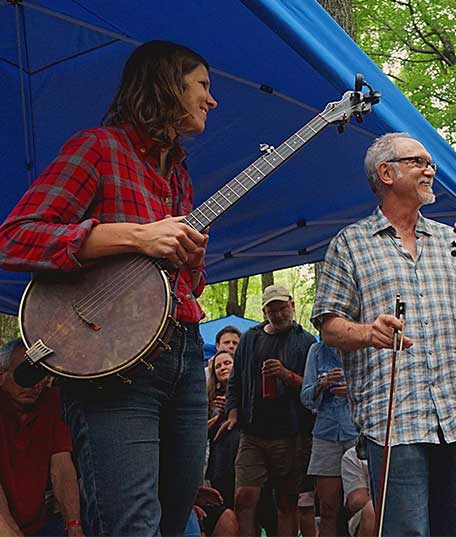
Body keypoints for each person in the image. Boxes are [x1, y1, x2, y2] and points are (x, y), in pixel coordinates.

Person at [0, 40, 215, 535]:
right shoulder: (97, 147)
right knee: (130, 525)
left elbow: (179, 284)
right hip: (109, 364)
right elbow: (15, 238)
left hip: (182, 354)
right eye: (202, 85)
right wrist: (136, 235)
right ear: (166, 84)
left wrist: (191, 261)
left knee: (175, 516)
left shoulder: (179, 175)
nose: (211, 100)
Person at [312, 132, 456, 536]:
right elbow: (329, 326)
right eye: (419, 162)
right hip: (394, 422)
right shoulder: (350, 244)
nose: (431, 170)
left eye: (431, 163)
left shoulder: (451, 241)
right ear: (386, 173)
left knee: (455, 530)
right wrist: (368, 332)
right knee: (405, 531)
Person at [220, 284, 316, 537]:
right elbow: (235, 379)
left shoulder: (306, 341)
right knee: (244, 496)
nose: (279, 314)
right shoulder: (250, 338)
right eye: (272, 310)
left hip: (290, 433)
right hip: (252, 432)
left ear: (292, 305)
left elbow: (314, 386)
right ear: (264, 312)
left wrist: (287, 376)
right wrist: (232, 412)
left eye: (282, 308)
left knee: (287, 501)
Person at [0, 339, 84, 537]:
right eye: (24, 374)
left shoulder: (51, 401)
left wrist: (74, 525)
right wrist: (8, 530)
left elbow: (62, 467)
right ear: (1, 375)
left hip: (38, 526)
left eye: (39, 375)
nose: (34, 384)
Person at [300, 340, 358, 537]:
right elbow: (306, 397)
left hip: (358, 432)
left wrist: (351, 391)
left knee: (360, 503)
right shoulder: (316, 350)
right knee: (327, 507)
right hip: (325, 434)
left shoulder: (362, 344)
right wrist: (321, 384)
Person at [206, 350, 239, 508]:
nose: (223, 368)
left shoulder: (246, 394)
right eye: (218, 366)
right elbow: (203, 431)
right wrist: (220, 416)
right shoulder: (210, 400)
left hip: (241, 457)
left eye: (227, 363)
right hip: (219, 462)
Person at [341, 446, 375, 537]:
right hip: (365, 514)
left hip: (408, 509)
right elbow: (357, 501)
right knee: (372, 510)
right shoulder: (353, 454)